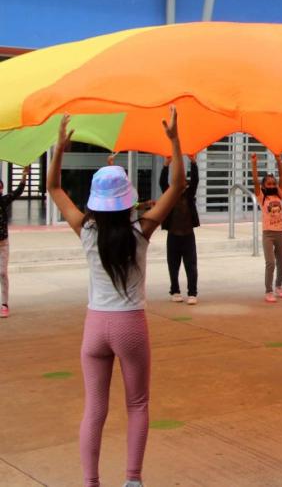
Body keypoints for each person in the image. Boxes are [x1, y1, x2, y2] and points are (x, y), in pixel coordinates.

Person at [47, 108, 186, 487]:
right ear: (127, 199)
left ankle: (91, 482)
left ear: (95, 201)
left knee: (94, 409)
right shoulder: (141, 229)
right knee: (137, 404)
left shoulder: (86, 229)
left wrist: (59, 147)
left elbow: (54, 189)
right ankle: (132, 479)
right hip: (129, 326)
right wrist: (173, 140)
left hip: (95, 326)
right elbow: (177, 186)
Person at [160, 154, 199, 305]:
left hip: (188, 235)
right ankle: (175, 290)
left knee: (191, 265)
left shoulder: (189, 195)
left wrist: (194, 162)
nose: (182, 184)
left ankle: (192, 292)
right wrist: (165, 165)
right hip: (173, 235)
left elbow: (195, 181)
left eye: (184, 182)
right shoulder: (170, 195)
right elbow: (162, 182)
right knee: (173, 265)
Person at [251, 152, 282, 303]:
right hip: (268, 233)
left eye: (273, 183)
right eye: (269, 184)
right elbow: (254, 180)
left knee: (281, 261)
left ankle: (279, 286)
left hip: (281, 232)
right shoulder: (262, 197)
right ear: (264, 186)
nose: (271, 185)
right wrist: (254, 163)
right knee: (270, 262)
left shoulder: (279, 194)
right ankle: (269, 290)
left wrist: (279, 160)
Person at [0, 165, 29, 318]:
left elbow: (18, 191)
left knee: (2, 273)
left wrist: (24, 176)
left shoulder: (3, 201)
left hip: (3, 243)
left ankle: (4, 304)